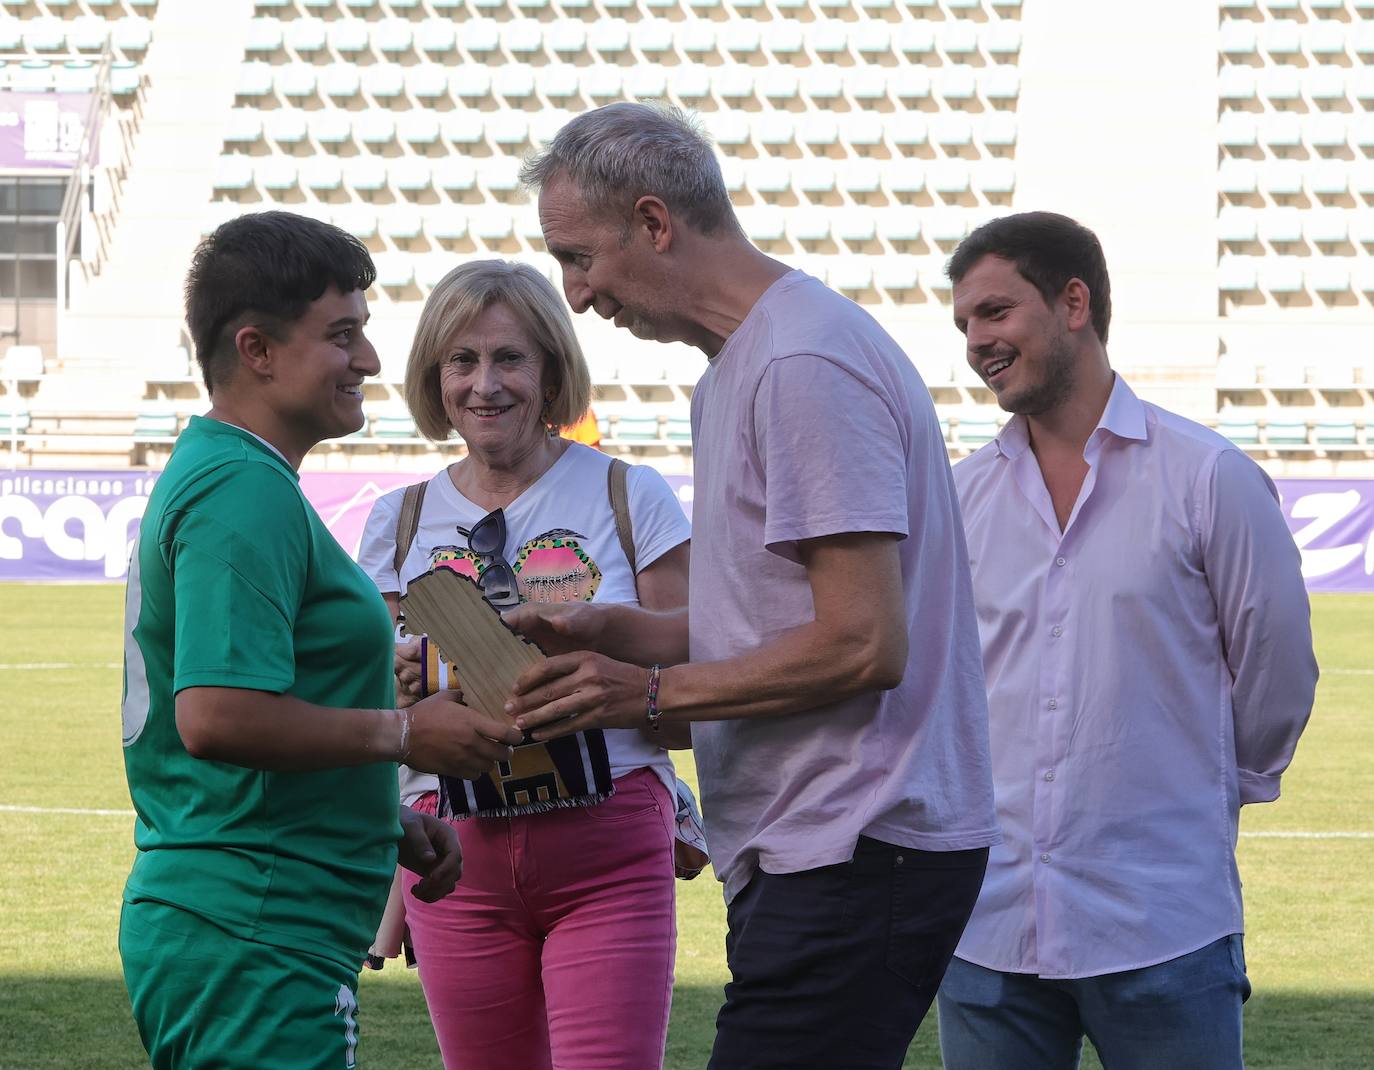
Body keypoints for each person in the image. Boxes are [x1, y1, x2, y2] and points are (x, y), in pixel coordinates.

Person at [505, 102, 1000, 1069]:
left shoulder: (801, 362)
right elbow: (781, 615)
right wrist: (629, 632)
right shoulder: (743, 365)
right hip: (819, 845)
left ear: (654, 224)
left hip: (858, 841)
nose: (575, 292)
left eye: (579, 256)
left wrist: (648, 694)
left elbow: (863, 641)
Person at [118, 212, 522, 1070]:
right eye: (343, 336)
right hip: (252, 924)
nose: (369, 361)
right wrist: (407, 735)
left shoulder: (242, 478)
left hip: (254, 921)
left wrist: (375, 818)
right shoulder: (241, 490)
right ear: (257, 349)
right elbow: (218, 715)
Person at [935, 212, 1319, 1070]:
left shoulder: (1208, 477)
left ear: (1074, 303)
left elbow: (1278, 666)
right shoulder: (958, 499)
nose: (977, 342)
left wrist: (1212, 794)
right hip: (989, 930)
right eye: (965, 324)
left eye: (995, 312)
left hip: (1162, 923)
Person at [356, 259, 692, 1070]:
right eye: (461, 362)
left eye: (509, 358)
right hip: (457, 853)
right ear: (434, 379)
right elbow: (380, 721)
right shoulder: (397, 522)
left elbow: (692, 702)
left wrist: (593, 665)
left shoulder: (629, 494)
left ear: (550, 370)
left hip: (606, 846)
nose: (485, 385)